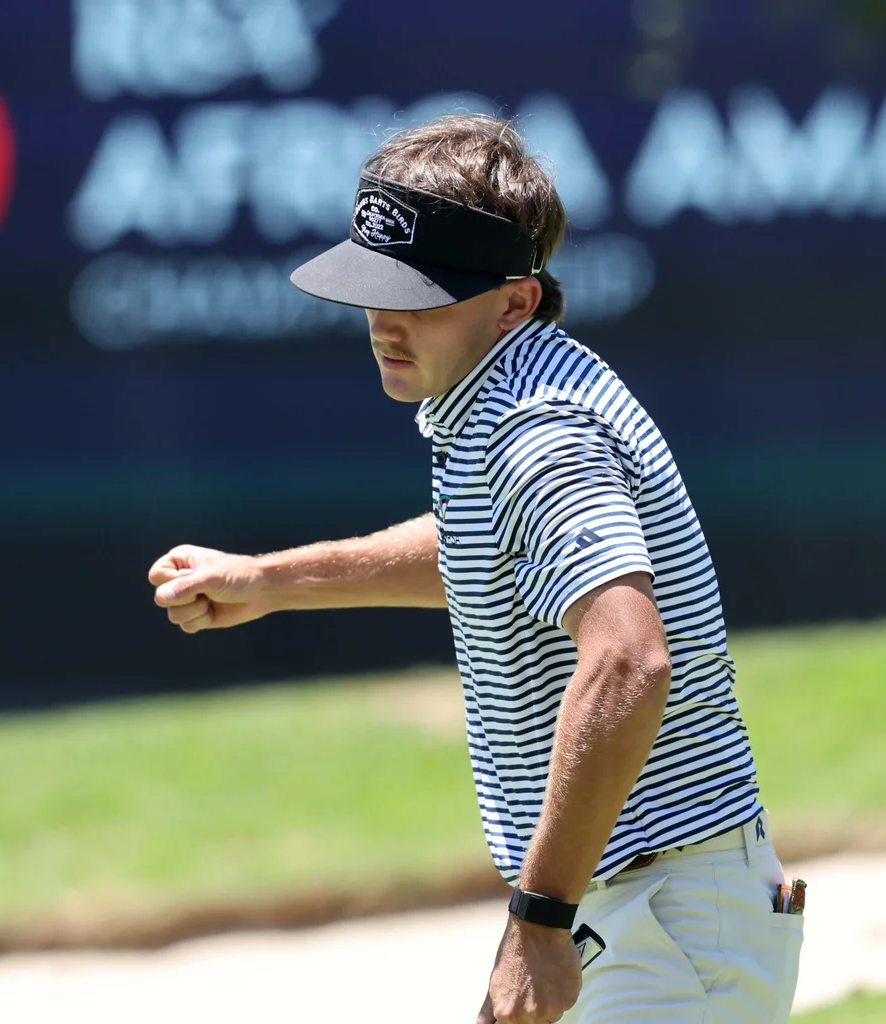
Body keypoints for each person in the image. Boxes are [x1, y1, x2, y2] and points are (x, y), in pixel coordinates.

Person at [147, 113, 801, 1024]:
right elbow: (483, 547)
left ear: (514, 302)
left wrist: (539, 922)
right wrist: (268, 582)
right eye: (372, 291)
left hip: (664, 919)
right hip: (648, 908)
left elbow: (628, 659)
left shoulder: (537, 431)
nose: (384, 323)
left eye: (420, 297)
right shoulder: (505, 395)